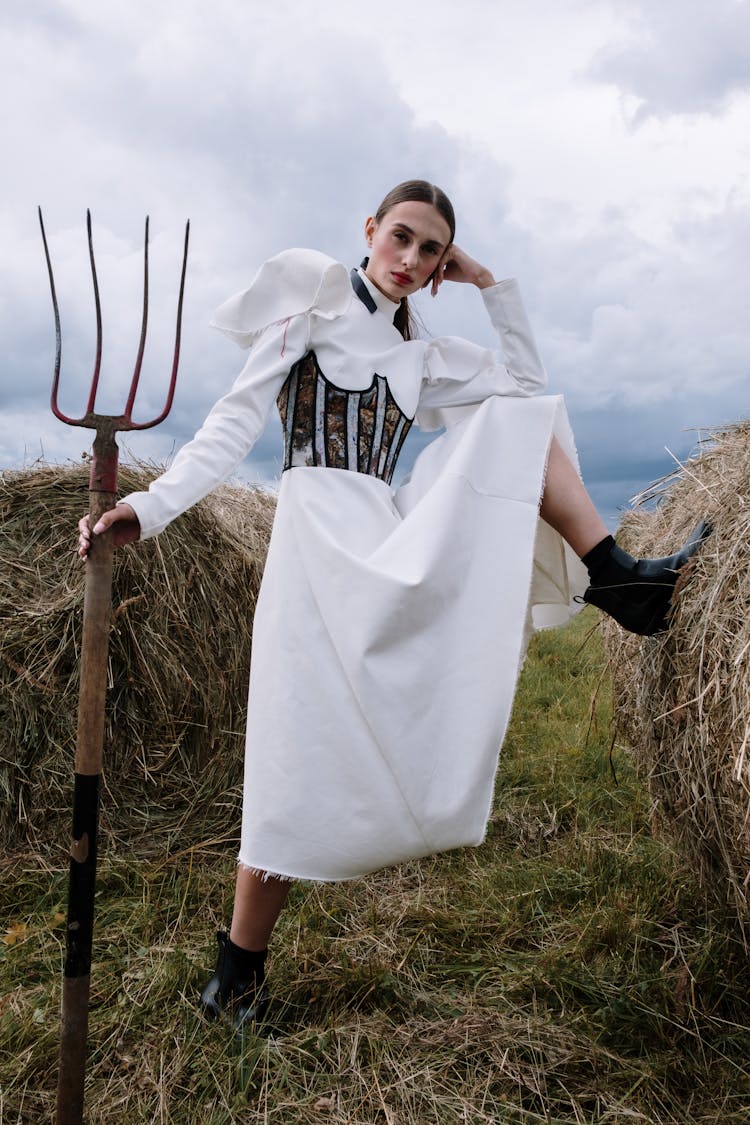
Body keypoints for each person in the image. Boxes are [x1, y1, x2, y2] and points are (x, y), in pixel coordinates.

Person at [78, 179, 707, 1029]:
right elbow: (229, 427)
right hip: (314, 548)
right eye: (402, 238)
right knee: (295, 756)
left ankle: (617, 578)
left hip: (387, 531)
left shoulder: (425, 352)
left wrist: (488, 286)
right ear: (369, 229)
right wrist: (145, 511)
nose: (412, 261)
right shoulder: (309, 315)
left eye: (431, 251)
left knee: (527, 426)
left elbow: (526, 385)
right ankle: (235, 979)